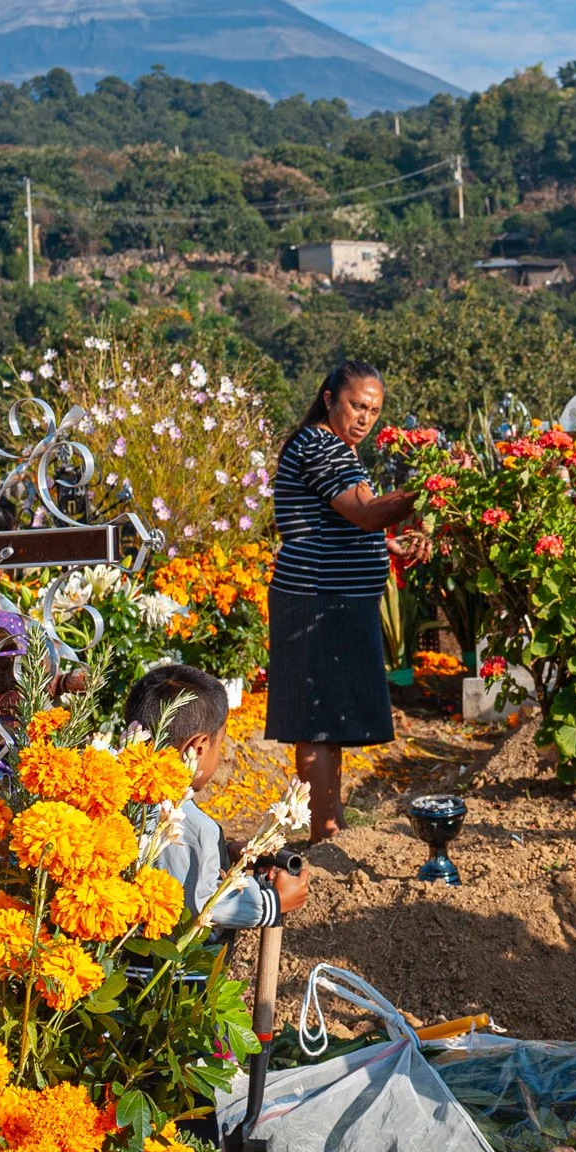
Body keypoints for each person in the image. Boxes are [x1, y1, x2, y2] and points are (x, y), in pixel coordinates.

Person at [266, 361, 427, 841]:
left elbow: (336, 523)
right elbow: (362, 513)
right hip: (317, 600)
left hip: (332, 599)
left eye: (374, 410)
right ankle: (324, 832)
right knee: (317, 723)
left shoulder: (337, 449)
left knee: (328, 724)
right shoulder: (320, 445)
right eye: (357, 405)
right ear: (330, 396)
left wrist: (385, 544)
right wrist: (429, 489)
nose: (365, 418)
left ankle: (329, 828)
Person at [125, 663, 310, 931]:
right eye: (220, 742)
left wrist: (226, 856)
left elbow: (172, 865)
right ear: (198, 748)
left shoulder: (119, 796)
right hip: (171, 968)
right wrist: (274, 901)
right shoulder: (189, 824)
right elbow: (204, 906)